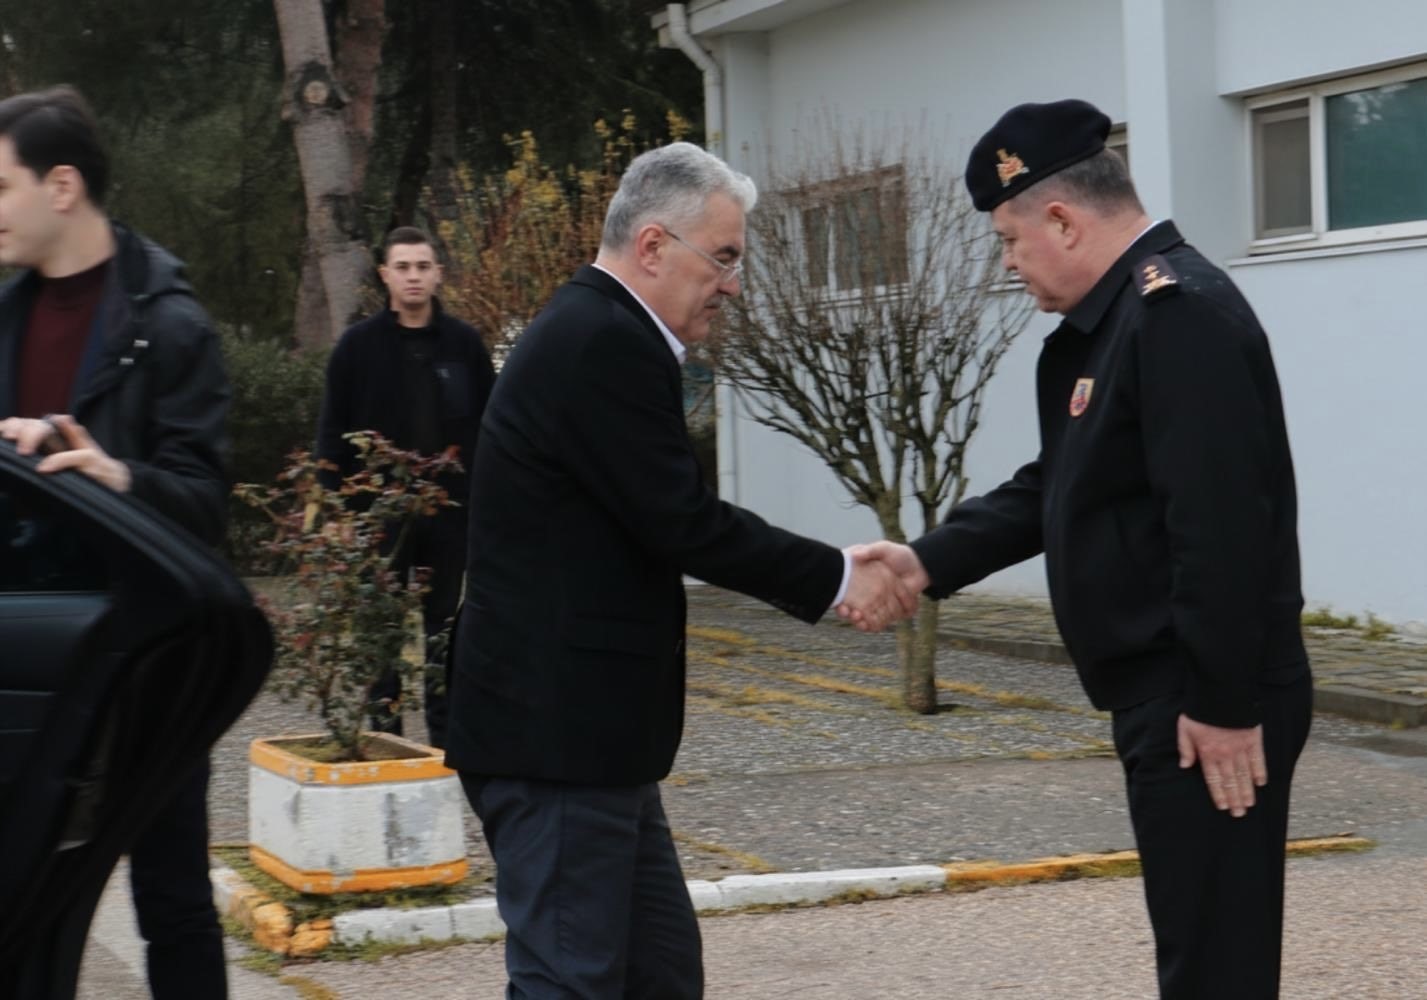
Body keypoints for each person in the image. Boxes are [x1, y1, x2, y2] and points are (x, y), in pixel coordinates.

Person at [854, 99, 1312, 999]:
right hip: (1169, 690)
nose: (1009, 263)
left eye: (1008, 241)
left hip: (1201, 699)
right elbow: (1059, 486)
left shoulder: (1175, 316)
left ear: (1060, 218)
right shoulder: (1113, 330)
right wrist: (926, 560)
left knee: (1214, 960)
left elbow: (1220, 526)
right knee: (1199, 943)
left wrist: (1220, 703)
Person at [444, 141, 916, 998]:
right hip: (557, 740)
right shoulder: (599, 341)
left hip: (594, 738)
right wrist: (839, 576)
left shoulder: (602, 331)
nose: (734, 283)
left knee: (657, 973)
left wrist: (834, 567)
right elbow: (683, 522)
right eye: (724, 257)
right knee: (571, 981)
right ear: (654, 247)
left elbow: (656, 522)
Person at [0, 86, 232, 998]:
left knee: (170, 901)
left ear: (62, 186)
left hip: (147, 667)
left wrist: (117, 477)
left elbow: (208, 502)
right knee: (23, 895)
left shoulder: (169, 324)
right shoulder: (4, 317)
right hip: (27, 658)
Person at [314, 226, 496, 748]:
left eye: (423, 266)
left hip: (449, 517)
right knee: (383, 638)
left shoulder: (463, 345)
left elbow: (491, 426)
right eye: (403, 267)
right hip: (381, 520)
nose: (414, 276)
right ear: (385, 276)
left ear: (438, 273)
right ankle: (386, 738)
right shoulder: (357, 348)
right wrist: (344, 512)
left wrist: (486, 504)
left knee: (442, 632)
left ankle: (445, 742)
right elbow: (332, 434)